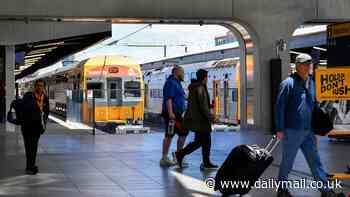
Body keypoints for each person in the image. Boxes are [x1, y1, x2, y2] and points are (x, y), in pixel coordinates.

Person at [275, 54, 343, 197]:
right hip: (292, 130)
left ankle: (326, 191)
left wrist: (317, 130)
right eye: (305, 64)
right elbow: (279, 107)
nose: (308, 67)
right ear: (297, 66)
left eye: (309, 64)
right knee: (288, 162)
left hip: (308, 131)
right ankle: (282, 190)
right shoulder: (288, 84)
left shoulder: (311, 83)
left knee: (315, 162)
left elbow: (314, 105)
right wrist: (280, 129)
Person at [175, 69, 218, 170]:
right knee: (205, 141)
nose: (207, 79)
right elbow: (202, 107)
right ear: (204, 78)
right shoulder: (200, 88)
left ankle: (182, 154)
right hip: (201, 121)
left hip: (197, 120)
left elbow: (199, 104)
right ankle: (204, 162)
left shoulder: (195, 87)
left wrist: (209, 105)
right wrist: (212, 117)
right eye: (207, 77)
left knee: (199, 142)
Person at [159, 66, 189, 167]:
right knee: (172, 134)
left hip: (177, 114)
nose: (183, 74)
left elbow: (182, 96)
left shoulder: (177, 83)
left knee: (176, 134)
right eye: (182, 72)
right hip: (172, 115)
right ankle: (167, 157)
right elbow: (169, 99)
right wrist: (171, 113)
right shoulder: (171, 83)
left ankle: (175, 156)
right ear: (176, 72)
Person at [21, 79, 49, 175]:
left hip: (37, 126)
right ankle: (30, 166)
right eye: (37, 85)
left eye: (41, 85)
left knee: (34, 146)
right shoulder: (28, 95)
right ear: (35, 86)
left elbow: (46, 111)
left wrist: (44, 123)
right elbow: (25, 108)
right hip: (27, 126)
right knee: (28, 146)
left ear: (43, 87)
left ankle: (31, 166)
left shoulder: (45, 98)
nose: (39, 87)